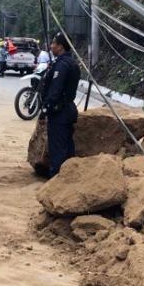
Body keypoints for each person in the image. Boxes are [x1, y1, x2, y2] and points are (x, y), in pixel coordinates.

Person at [40, 32, 81, 178]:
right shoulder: (71, 62)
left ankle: (55, 184)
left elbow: (55, 91)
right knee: (67, 149)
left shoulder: (62, 65)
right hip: (67, 111)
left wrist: (45, 108)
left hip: (60, 113)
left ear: (61, 46)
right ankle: (67, 182)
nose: (51, 46)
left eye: (53, 43)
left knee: (58, 153)